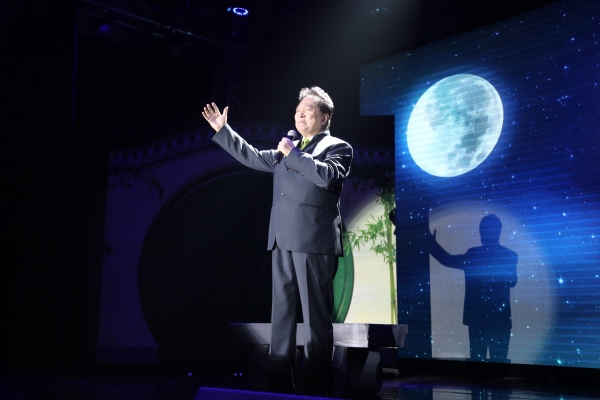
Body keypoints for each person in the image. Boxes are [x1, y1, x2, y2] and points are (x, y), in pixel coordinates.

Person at [202, 87, 353, 395]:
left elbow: (327, 177)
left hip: (314, 240)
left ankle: (318, 385)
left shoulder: (337, 147)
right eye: (297, 110)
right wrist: (223, 130)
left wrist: (293, 154)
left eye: (307, 110)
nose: (300, 114)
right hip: (281, 238)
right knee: (281, 315)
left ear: (325, 117)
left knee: (315, 318)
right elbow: (253, 157)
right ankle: (278, 382)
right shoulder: (288, 148)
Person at [430, 214, 518, 362]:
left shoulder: (474, 254)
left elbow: (448, 260)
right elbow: (512, 281)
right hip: (499, 320)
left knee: (478, 364)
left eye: (482, 230)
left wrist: (431, 245)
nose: (481, 233)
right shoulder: (509, 255)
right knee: (498, 364)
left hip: (478, 320)